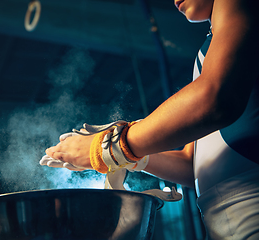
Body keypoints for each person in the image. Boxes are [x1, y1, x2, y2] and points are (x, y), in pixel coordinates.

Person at [41, 0, 259, 239]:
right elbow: (192, 164)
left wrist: (108, 148)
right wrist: (133, 159)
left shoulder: (242, 6)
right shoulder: (211, 49)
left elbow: (215, 99)